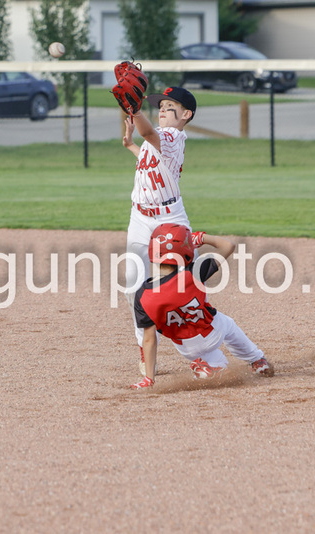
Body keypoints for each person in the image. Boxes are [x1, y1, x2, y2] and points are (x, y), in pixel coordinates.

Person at [130, 223, 273, 389]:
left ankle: (210, 367)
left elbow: (149, 339)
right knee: (228, 324)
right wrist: (201, 238)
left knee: (217, 363)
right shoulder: (194, 272)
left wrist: (149, 378)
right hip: (211, 331)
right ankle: (257, 360)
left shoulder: (142, 294)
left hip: (186, 348)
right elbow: (229, 246)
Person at [120, 86, 198, 376]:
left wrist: (136, 112)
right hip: (140, 218)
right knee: (132, 287)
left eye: (170, 105)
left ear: (186, 114)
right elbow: (149, 154)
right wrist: (130, 146)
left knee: (184, 286)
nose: (163, 109)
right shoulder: (159, 141)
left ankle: (200, 348)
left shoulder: (174, 137)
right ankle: (145, 350)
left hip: (170, 218)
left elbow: (151, 135)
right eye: (161, 105)